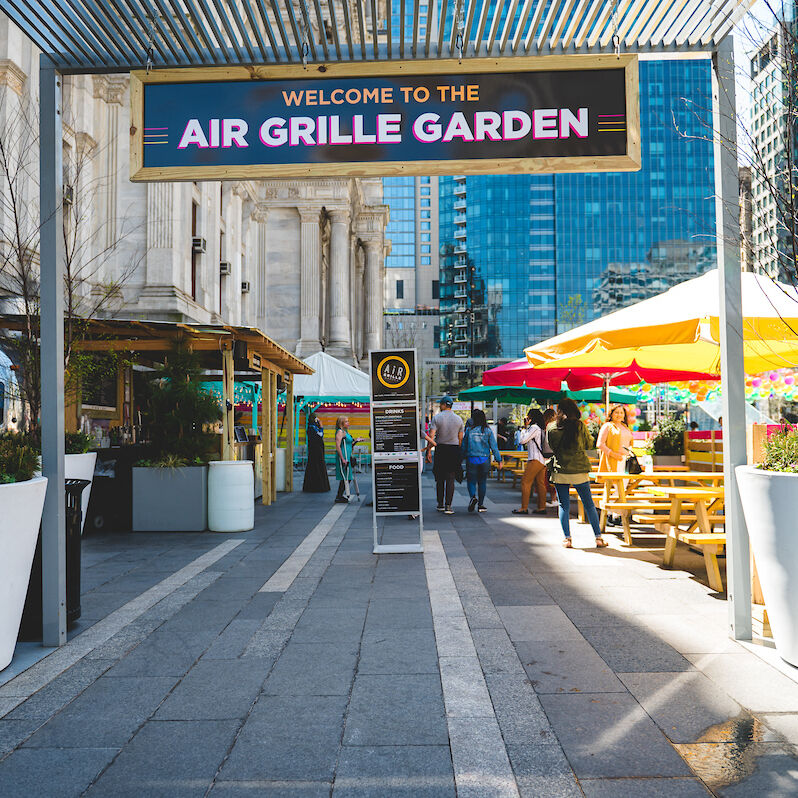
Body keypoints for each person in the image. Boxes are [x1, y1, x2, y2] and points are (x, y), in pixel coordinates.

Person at [547, 398, 607, 548]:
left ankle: (567, 539)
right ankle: (598, 538)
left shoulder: (551, 427)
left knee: (563, 505)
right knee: (589, 504)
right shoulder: (580, 426)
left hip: (561, 470)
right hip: (579, 469)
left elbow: (552, 447)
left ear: (559, 410)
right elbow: (588, 443)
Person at [462, 408, 503, 512]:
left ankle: (473, 497)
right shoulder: (488, 431)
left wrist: (460, 458)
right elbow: (494, 447)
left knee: (471, 481)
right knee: (482, 482)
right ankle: (481, 505)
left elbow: (464, 446)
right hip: (484, 459)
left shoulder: (469, 430)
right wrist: (499, 460)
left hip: (471, 458)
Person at [428, 396, 464, 514]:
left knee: (439, 478)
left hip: (441, 449)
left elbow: (431, 436)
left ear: (443, 405)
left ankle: (440, 504)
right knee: (450, 478)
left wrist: (429, 450)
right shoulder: (459, 419)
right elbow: (460, 439)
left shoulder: (437, 418)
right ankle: (449, 506)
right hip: (453, 450)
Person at [513, 409, 549, 516]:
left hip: (535, 459)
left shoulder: (534, 428)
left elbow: (522, 440)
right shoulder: (541, 428)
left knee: (525, 482)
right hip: (542, 460)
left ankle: (524, 508)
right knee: (540, 483)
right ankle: (541, 507)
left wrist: (524, 428)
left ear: (531, 417)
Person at [597, 404, 635, 474]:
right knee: (613, 484)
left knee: (625, 484)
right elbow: (600, 444)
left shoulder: (626, 427)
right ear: (611, 414)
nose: (619, 415)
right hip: (613, 460)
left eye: (621, 413)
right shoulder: (607, 426)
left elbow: (630, 443)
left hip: (626, 461)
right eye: (616, 412)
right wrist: (613, 454)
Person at [334, 416, 361, 504]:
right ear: (341, 423)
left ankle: (339, 496)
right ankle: (339, 496)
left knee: (347, 477)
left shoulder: (346, 432)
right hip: (343, 456)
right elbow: (338, 446)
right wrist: (342, 458)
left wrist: (356, 441)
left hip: (348, 455)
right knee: (346, 477)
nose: (348, 423)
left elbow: (349, 444)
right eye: (346, 421)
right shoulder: (340, 432)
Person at [303, 412, 330, 493]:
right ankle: (318, 486)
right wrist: (321, 427)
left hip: (316, 450)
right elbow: (320, 435)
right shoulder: (312, 428)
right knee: (317, 466)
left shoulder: (312, 427)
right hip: (316, 450)